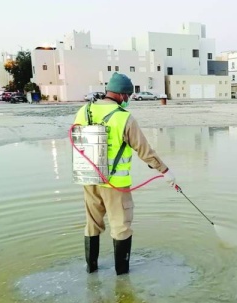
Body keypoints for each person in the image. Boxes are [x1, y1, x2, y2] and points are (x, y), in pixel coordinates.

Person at [73, 73, 176, 275]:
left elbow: (77, 140)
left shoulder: (84, 111)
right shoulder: (123, 117)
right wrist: (165, 171)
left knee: (92, 224)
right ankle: (122, 279)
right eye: (128, 95)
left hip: (89, 178)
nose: (128, 99)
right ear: (121, 95)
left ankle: (91, 269)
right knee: (121, 227)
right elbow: (145, 151)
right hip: (115, 184)